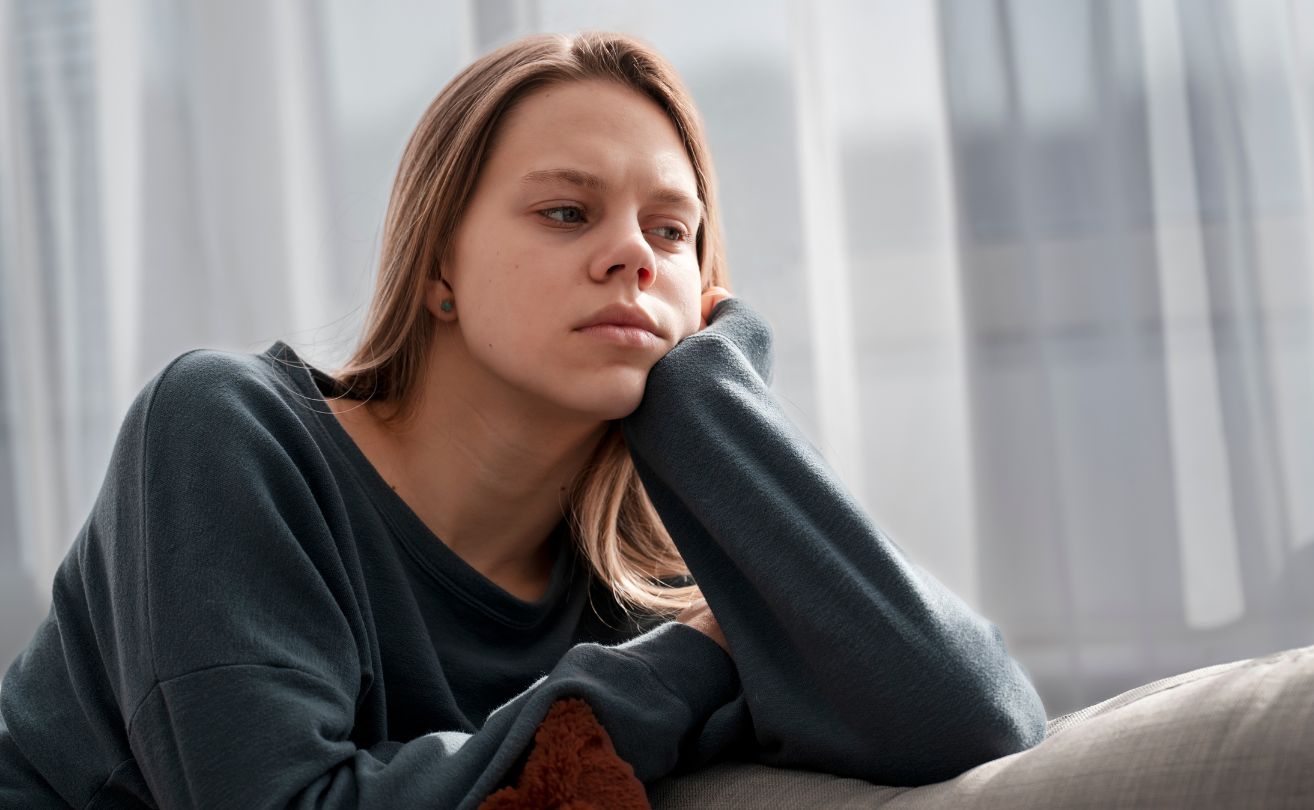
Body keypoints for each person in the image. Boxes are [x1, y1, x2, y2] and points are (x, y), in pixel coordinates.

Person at [0, 30, 1047, 809]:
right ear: (440, 268)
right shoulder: (226, 433)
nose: (633, 254)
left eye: (672, 232)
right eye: (566, 212)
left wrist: (706, 395)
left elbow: (982, 722)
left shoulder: (635, 586)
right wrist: (687, 662)